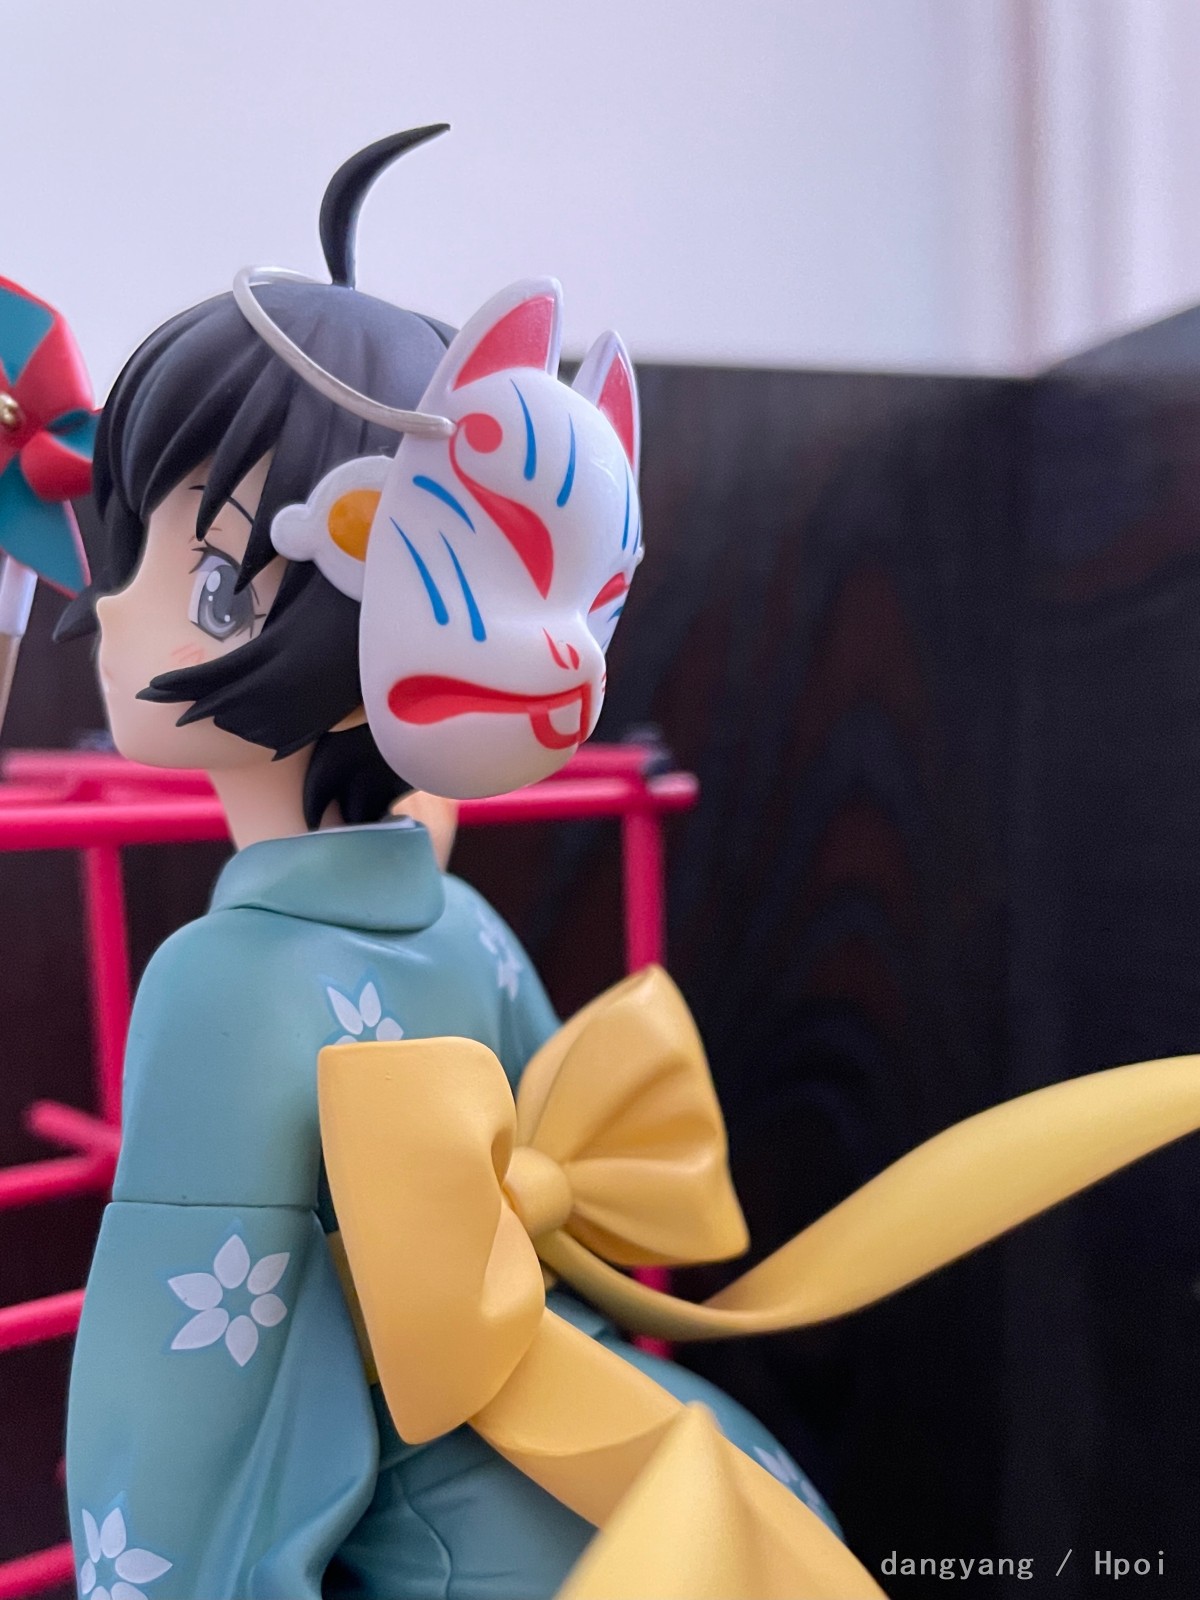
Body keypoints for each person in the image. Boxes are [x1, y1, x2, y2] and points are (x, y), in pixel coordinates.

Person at [59, 128, 842, 1600]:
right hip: (653, 1473)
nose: (106, 604)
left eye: (202, 574)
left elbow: (184, 1421)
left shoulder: (224, 985)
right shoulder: (465, 925)